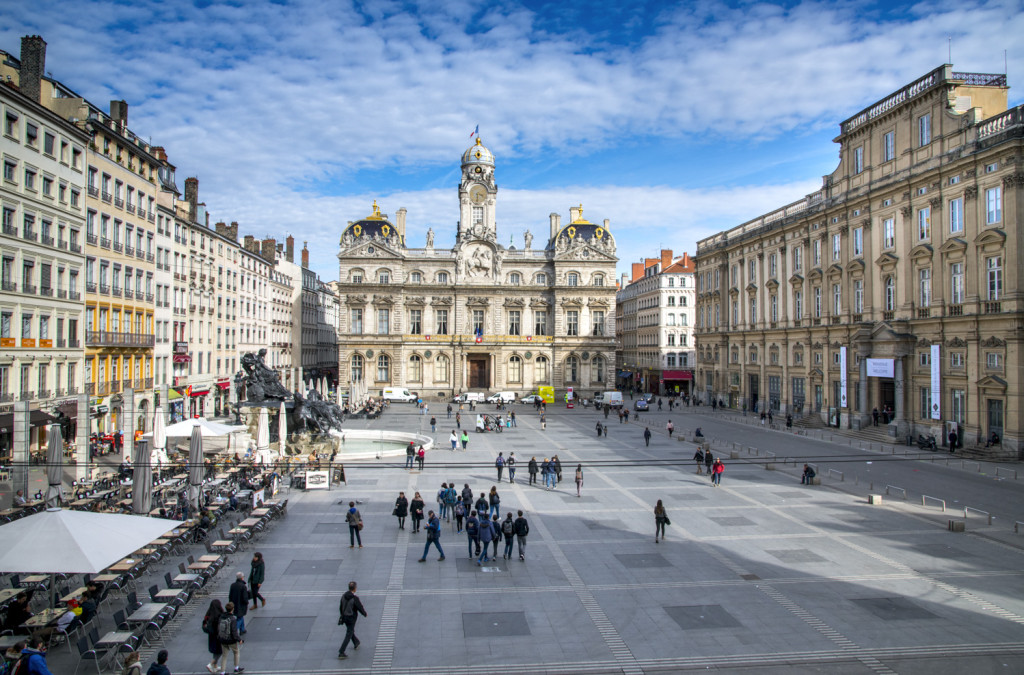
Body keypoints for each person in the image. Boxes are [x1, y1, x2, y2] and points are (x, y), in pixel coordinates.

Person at [337, 581, 367, 659]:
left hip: (345, 616)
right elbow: (359, 607)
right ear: (355, 588)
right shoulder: (354, 598)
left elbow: (341, 607)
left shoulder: (343, 596)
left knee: (350, 630)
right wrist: (364, 613)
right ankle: (341, 652)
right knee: (349, 633)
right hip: (351, 617)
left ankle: (356, 642)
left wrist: (342, 615)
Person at [203, 598, 225, 673]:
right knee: (220, 651)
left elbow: (204, 624)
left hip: (211, 636)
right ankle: (211, 664)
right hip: (218, 636)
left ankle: (215, 666)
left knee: (215, 651)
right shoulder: (220, 615)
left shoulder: (208, 615)